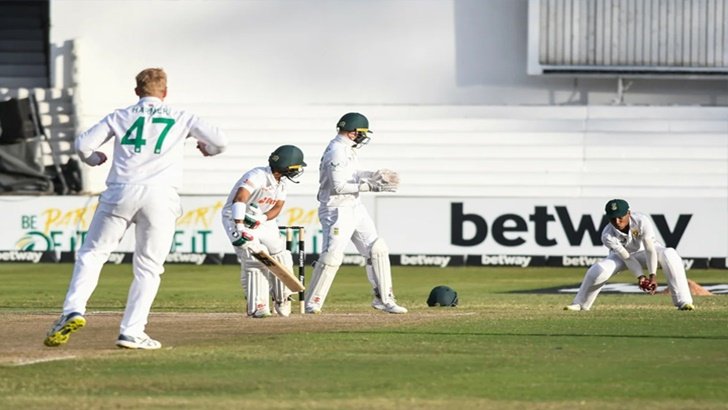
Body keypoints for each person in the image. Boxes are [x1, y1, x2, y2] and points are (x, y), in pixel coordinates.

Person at [44, 68, 228, 349]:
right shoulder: (182, 117)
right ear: (165, 92)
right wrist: (208, 150)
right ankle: (131, 331)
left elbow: (83, 145)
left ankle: (73, 309)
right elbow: (220, 141)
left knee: (93, 254)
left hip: (121, 190)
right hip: (161, 196)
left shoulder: (121, 115)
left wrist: (94, 159)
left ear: (136, 91)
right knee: (148, 267)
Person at [305, 112, 407, 314]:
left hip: (355, 206)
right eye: (361, 132)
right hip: (336, 209)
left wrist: (375, 176)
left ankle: (384, 299)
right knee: (332, 256)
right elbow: (339, 187)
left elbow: (355, 174)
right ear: (353, 132)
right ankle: (312, 302)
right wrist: (372, 187)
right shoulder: (336, 151)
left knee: (377, 249)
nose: (363, 136)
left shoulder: (347, 149)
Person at [220, 145, 306, 318]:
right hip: (237, 218)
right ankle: (258, 306)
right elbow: (240, 199)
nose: (297, 171)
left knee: (281, 255)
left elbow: (278, 207)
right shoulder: (257, 175)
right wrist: (239, 226)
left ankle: (282, 298)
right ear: (286, 167)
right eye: (295, 167)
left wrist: (263, 218)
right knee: (256, 257)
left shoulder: (281, 184)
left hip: (261, 220)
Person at [565, 199, 695, 311]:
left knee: (670, 254)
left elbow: (650, 249)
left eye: (620, 217)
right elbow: (627, 258)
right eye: (613, 218)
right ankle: (580, 304)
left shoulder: (641, 221)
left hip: (648, 252)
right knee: (598, 270)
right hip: (623, 257)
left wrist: (652, 275)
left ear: (628, 213)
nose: (617, 222)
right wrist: (640, 277)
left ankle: (683, 301)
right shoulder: (607, 235)